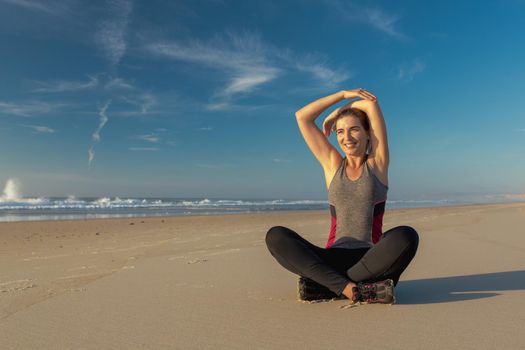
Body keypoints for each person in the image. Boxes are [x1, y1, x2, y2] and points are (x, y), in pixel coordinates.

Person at [265, 89, 419, 304]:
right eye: (340, 131)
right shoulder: (332, 165)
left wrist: (336, 114)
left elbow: (370, 105)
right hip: (332, 258)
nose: (346, 137)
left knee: (406, 235)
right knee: (276, 236)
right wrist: (343, 95)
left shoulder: (377, 164)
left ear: (367, 133)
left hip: (370, 258)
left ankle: (328, 286)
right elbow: (302, 117)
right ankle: (354, 289)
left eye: (354, 129)